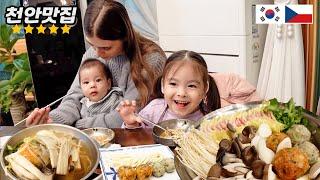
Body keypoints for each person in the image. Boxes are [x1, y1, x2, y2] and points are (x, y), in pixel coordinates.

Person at [26, 0, 166, 128]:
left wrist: (79, 125)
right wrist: (52, 119)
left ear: (125, 36)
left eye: (106, 48)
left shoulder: (150, 60)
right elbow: (75, 96)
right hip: (95, 134)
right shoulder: (93, 53)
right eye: (92, 45)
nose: (98, 54)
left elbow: (126, 116)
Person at [117, 50, 221, 128]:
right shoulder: (154, 109)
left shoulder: (209, 119)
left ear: (205, 89)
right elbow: (138, 138)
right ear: (163, 85)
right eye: (173, 83)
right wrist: (131, 124)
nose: (181, 93)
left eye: (191, 86)